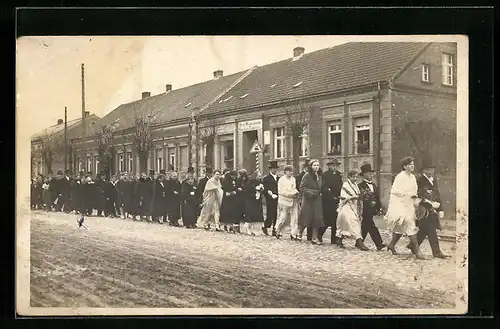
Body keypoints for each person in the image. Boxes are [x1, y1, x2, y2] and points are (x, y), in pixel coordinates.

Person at [409, 157, 451, 259]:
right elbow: (419, 196)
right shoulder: (419, 180)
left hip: (432, 209)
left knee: (424, 230)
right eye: (427, 169)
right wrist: (431, 205)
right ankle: (437, 252)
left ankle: (412, 246)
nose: (430, 171)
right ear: (423, 170)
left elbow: (437, 194)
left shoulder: (434, 179)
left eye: (432, 169)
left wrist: (440, 208)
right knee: (431, 230)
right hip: (424, 210)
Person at [384, 156, 425, 259]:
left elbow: (414, 190)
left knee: (401, 227)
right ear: (405, 166)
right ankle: (417, 250)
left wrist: (414, 196)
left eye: (413, 164)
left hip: (409, 204)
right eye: (410, 164)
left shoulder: (412, 177)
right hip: (400, 204)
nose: (412, 166)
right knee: (409, 224)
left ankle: (392, 245)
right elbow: (394, 191)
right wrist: (407, 194)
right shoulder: (400, 176)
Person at [336, 170, 369, 251]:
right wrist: (354, 197)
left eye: (356, 177)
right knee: (354, 223)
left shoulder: (355, 185)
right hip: (346, 206)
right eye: (353, 177)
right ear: (349, 177)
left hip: (353, 207)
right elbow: (344, 196)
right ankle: (359, 242)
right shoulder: (346, 184)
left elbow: (357, 195)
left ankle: (339, 239)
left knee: (346, 224)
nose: (355, 179)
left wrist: (361, 196)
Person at [358, 164, 386, 251]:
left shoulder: (374, 185)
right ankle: (379, 244)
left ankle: (359, 241)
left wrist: (378, 207)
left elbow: (377, 197)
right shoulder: (360, 186)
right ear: (364, 175)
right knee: (371, 226)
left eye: (371, 173)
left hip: (372, 209)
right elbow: (362, 198)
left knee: (365, 226)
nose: (371, 175)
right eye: (369, 173)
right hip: (365, 209)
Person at [297, 159, 325, 244]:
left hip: (317, 201)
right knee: (306, 218)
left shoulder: (319, 176)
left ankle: (314, 238)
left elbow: (320, 187)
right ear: (311, 166)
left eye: (317, 165)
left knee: (316, 219)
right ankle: (299, 234)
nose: (316, 167)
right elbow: (302, 188)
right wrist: (312, 193)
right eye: (314, 165)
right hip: (309, 200)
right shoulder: (307, 175)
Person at [320, 159, 343, 244]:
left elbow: (340, 186)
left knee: (335, 220)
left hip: (336, 199)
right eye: (333, 165)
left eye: (336, 166)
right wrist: (330, 196)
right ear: (329, 166)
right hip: (327, 200)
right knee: (326, 219)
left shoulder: (338, 175)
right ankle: (319, 235)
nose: (334, 167)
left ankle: (334, 239)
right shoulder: (325, 175)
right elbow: (324, 188)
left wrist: (339, 196)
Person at [275, 165, 300, 240]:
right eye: (289, 171)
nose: (291, 173)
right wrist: (290, 194)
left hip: (293, 201)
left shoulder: (293, 179)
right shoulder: (281, 180)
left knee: (294, 218)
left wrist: (296, 193)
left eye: (292, 171)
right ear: (285, 171)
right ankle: (278, 230)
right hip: (284, 201)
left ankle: (293, 234)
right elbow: (280, 191)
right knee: (283, 218)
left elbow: (294, 188)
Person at [243, 170, 265, 235]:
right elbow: (246, 191)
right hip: (250, 201)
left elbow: (261, 190)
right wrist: (254, 193)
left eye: (260, 176)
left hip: (257, 201)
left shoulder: (260, 182)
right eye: (258, 176)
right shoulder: (249, 182)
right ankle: (248, 228)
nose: (259, 177)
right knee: (250, 215)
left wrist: (260, 191)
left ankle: (255, 229)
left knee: (256, 215)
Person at [262, 160, 279, 236]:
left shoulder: (279, 178)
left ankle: (274, 229)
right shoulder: (266, 178)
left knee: (276, 214)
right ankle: (265, 225)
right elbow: (264, 190)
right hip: (270, 199)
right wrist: (270, 196)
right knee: (270, 214)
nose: (274, 170)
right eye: (272, 169)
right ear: (270, 169)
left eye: (275, 168)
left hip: (278, 198)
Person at [235, 169, 249, 233]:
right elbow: (236, 187)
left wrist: (243, 189)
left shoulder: (247, 180)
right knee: (238, 213)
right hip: (239, 198)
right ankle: (237, 227)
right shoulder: (238, 180)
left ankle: (246, 228)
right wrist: (238, 189)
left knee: (246, 212)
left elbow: (248, 187)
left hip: (245, 197)